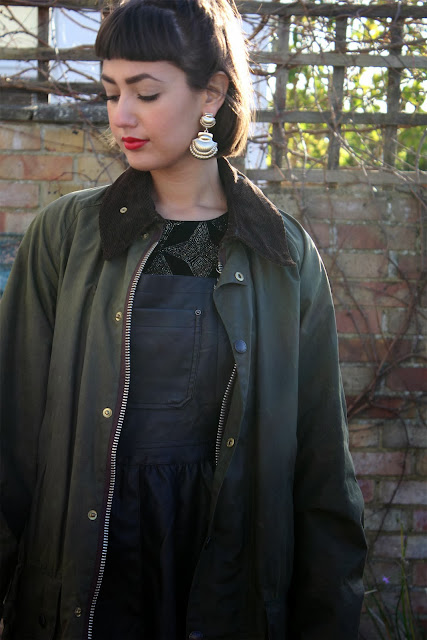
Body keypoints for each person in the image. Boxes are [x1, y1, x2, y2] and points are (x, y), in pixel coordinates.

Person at [0, 0, 367, 638]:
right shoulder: (66, 236)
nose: (122, 115)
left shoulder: (282, 255)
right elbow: (10, 437)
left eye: (145, 92)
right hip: (88, 575)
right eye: (111, 92)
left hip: (225, 574)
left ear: (211, 94)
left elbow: (321, 472)